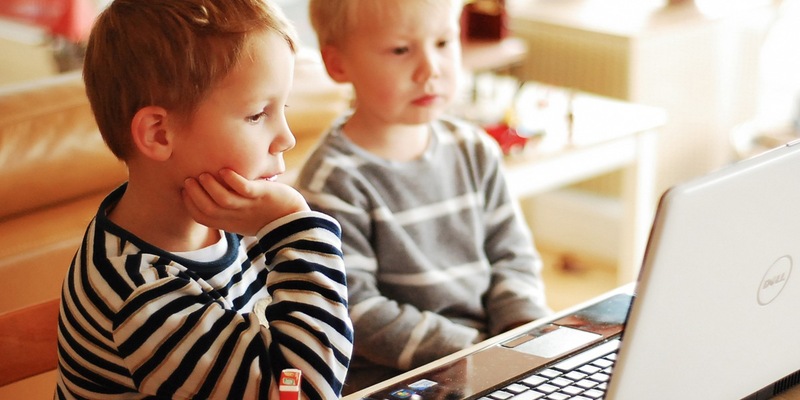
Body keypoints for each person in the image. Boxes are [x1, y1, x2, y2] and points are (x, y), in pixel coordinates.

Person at [55, 1, 353, 399]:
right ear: (160, 134)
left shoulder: (236, 220)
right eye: (257, 115)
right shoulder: (139, 293)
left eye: (282, 108)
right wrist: (295, 224)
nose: (287, 138)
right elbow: (302, 391)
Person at [298, 0, 552, 393]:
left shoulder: (473, 149)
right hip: (401, 379)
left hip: (489, 356)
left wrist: (524, 332)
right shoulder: (333, 181)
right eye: (401, 50)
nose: (430, 69)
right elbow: (357, 311)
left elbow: (512, 257)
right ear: (338, 64)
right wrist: (476, 350)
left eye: (443, 43)